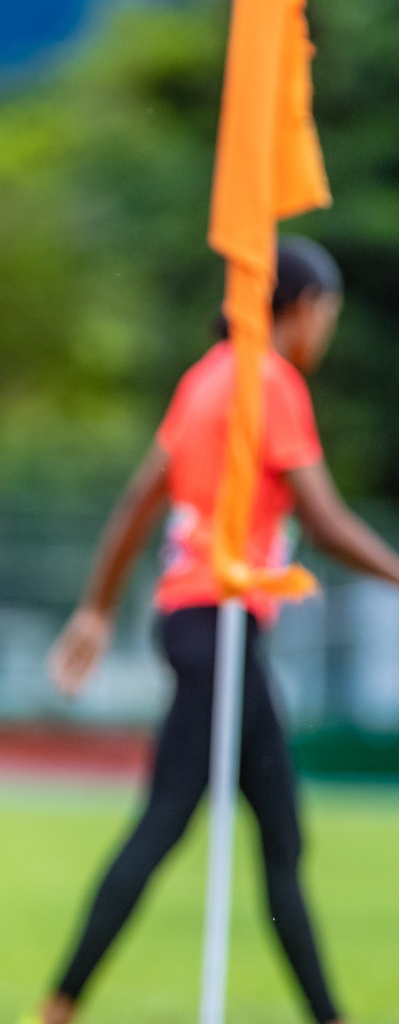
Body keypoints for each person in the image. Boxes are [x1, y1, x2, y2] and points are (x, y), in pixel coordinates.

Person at [34, 236, 399, 1024]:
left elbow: (138, 501)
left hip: (197, 624)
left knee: (268, 837)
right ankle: (58, 1005)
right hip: (221, 625)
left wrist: (98, 609)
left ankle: (326, 1015)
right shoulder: (272, 379)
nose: (326, 333)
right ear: (303, 310)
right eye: (328, 316)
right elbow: (327, 522)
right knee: (185, 828)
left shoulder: (204, 379)